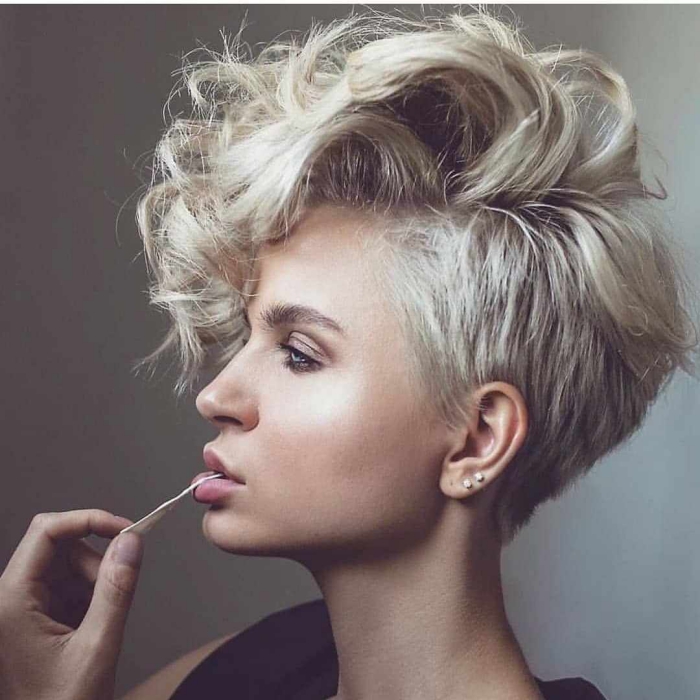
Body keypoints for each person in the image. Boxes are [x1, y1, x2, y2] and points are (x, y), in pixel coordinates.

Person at [1, 8, 697, 700]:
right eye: (250, 337)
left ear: (478, 441)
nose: (216, 398)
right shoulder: (242, 672)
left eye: (300, 353)